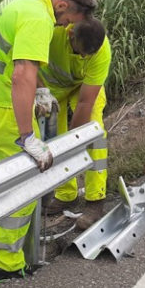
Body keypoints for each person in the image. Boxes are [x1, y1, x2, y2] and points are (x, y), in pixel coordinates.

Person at [0, 0, 97, 286]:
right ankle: (6, 265)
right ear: (62, 5)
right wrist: (26, 137)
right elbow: (22, 74)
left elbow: (14, 58)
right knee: (23, 188)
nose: (64, 27)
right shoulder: (39, 18)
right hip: (4, 112)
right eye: (67, 21)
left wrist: (42, 88)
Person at [38, 16, 111, 230]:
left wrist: (75, 143)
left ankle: (95, 200)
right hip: (50, 89)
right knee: (53, 139)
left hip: (83, 87)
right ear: (71, 34)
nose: (84, 56)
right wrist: (41, 92)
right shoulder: (54, 32)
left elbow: (86, 103)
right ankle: (66, 193)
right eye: (80, 52)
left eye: (89, 54)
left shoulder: (102, 51)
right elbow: (26, 62)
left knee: (94, 134)